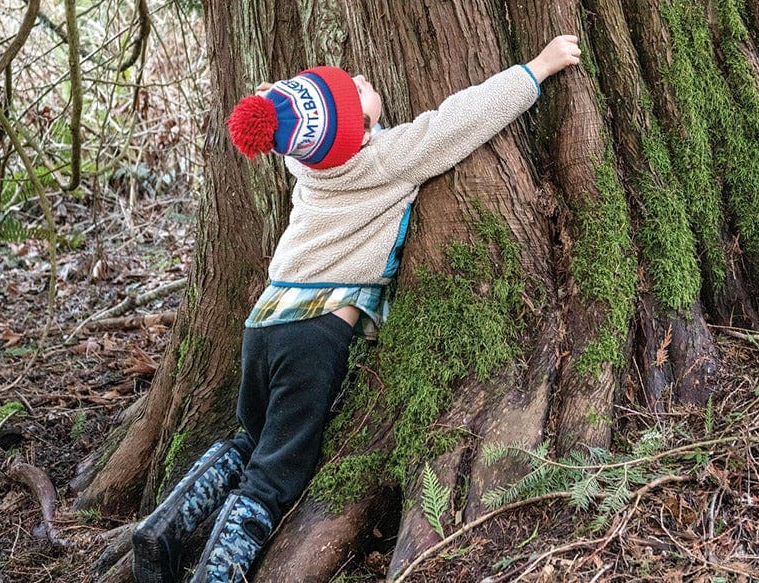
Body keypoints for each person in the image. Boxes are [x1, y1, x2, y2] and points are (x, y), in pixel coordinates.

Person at [131, 35, 582, 583]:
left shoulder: (306, 163)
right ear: (361, 133)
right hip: (311, 336)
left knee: (253, 437)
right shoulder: (384, 160)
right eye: (356, 90)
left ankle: (163, 528)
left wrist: (274, 101)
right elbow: (460, 120)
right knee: (277, 474)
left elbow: (292, 126)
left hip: (264, 323)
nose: (363, 79)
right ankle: (217, 575)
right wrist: (536, 69)